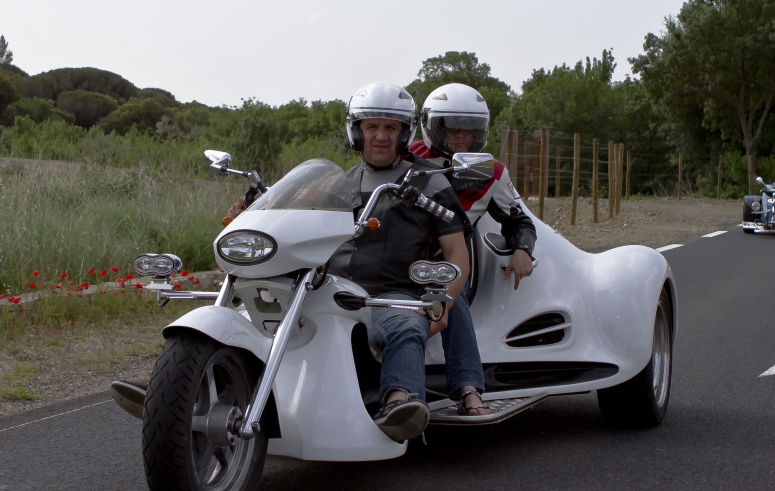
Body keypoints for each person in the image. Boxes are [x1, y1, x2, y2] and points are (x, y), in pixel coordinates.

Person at [112, 82, 480, 442]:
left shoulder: (429, 184)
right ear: (356, 132)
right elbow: (295, 216)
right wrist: (254, 211)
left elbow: (457, 254)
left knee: (405, 325)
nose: (380, 136)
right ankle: (175, 392)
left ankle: (400, 405)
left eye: (390, 127)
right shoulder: (340, 183)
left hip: (390, 296)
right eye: (371, 127)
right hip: (330, 290)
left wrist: (444, 304)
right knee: (251, 321)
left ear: (405, 132)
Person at [409, 83, 538, 415]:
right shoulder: (408, 157)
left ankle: (468, 388)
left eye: (468, 129)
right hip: (400, 257)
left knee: (448, 292)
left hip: (448, 264)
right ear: (432, 126)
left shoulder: (492, 172)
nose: (459, 136)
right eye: (451, 127)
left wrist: (523, 250)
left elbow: (519, 220)